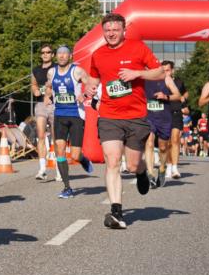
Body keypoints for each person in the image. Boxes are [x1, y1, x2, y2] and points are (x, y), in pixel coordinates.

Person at [83, 13, 164, 229]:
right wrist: (89, 88)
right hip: (109, 116)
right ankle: (116, 212)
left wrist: (137, 74)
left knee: (133, 164)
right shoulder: (98, 54)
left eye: (115, 30)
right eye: (107, 30)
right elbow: (94, 79)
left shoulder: (138, 48)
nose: (111, 33)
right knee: (112, 161)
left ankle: (142, 172)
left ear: (123, 30)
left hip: (136, 116)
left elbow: (160, 73)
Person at [42, 45, 94, 199]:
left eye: (65, 54)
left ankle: (82, 159)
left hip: (76, 115)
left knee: (75, 155)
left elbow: (91, 84)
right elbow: (49, 86)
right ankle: (67, 187)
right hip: (59, 115)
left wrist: (84, 95)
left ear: (70, 56)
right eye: (59, 54)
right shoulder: (51, 72)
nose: (62, 56)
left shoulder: (77, 71)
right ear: (56, 56)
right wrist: (47, 95)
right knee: (60, 149)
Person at [143, 66, 183, 188]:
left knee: (163, 147)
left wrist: (166, 97)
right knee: (149, 142)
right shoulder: (142, 79)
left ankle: (162, 168)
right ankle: (150, 174)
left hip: (164, 118)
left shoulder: (167, 79)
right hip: (148, 117)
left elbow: (178, 95)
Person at [31, 44, 56, 181]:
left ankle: (59, 169)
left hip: (54, 104)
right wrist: (35, 90)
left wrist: (50, 91)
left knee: (56, 137)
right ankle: (42, 169)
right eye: (43, 52)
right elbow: (33, 84)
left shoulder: (57, 68)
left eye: (48, 52)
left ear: (52, 54)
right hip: (40, 104)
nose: (45, 54)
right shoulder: (36, 70)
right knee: (40, 135)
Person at [160, 61, 188, 179]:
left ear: (172, 70)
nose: (165, 72)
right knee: (166, 143)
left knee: (175, 140)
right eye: (163, 70)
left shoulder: (179, 82)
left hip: (176, 113)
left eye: (167, 70)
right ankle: (168, 166)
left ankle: (175, 169)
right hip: (163, 114)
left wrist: (184, 104)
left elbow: (185, 93)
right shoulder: (158, 82)